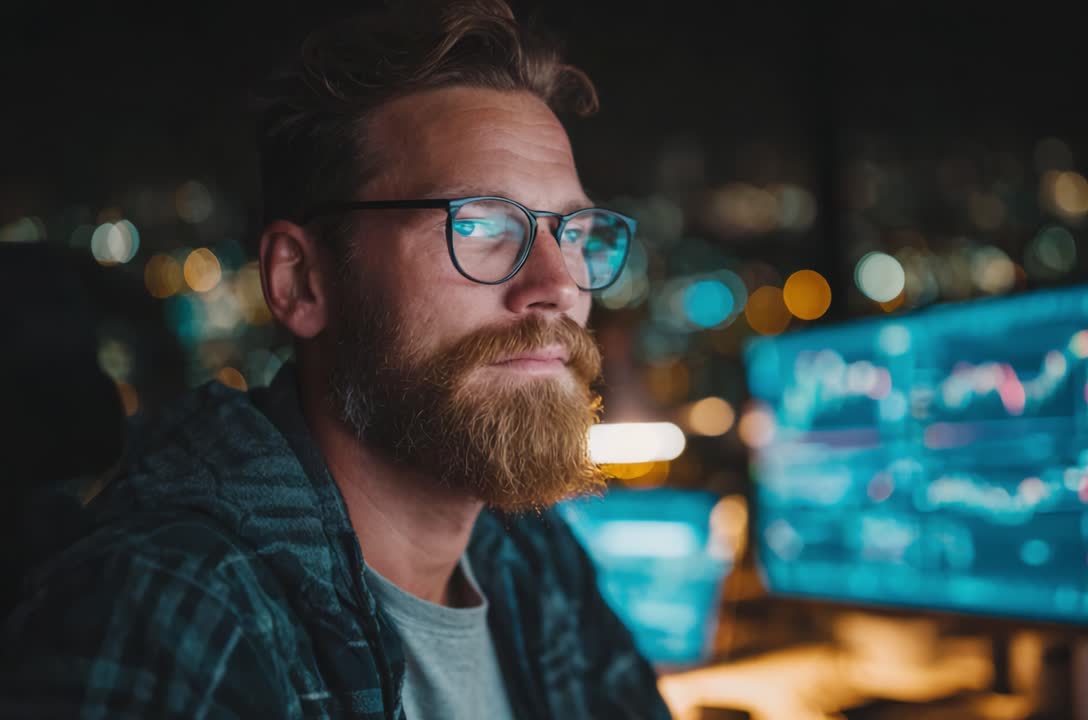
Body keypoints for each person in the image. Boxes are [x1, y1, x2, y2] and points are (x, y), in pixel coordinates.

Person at [0, 1, 671, 718]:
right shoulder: (165, 614)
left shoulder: (532, 560)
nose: (557, 286)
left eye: (573, 233)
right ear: (301, 281)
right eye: (476, 225)